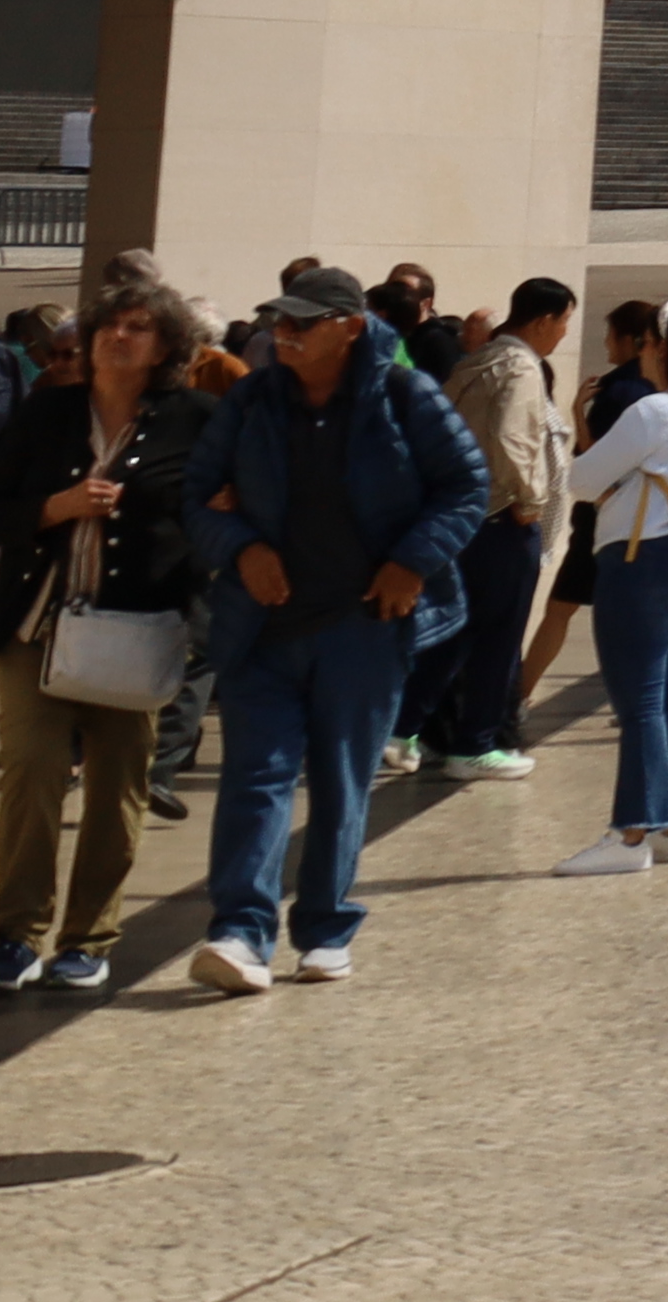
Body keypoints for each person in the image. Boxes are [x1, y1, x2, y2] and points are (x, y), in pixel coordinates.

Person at [182, 260, 491, 990]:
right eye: (276, 323)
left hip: (363, 627)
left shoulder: (403, 394)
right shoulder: (253, 400)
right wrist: (243, 548)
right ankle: (239, 933)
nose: (280, 335)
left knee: (341, 781)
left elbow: (466, 486)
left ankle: (324, 929)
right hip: (264, 629)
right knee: (256, 780)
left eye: (298, 324)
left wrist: (412, 563)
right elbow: (196, 495)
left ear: (349, 328)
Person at [0, 278, 211, 995]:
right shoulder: (47, 410)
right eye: (108, 326)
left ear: (166, 346)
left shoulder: (196, 419)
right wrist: (51, 508)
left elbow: (216, 517)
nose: (118, 337)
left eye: (138, 327)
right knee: (29, 769)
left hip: (137, 631)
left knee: (120, 784)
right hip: (37, 626)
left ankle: (87, 939)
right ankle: (15, 932)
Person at [551, 295, 668, 881]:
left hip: (643, 563)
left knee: (639, 702)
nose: (641, 350)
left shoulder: (652, 412)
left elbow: (581, 481)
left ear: (660, 347)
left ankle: (631, 833)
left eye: (648, 341)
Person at [423, 277, 571, 775]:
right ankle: (475, 744)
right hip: (502, 520)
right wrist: (528, 501)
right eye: (565, 322)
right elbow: (513, 441)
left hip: (465, 516)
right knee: (497, 639)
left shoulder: (476, 360)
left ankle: (421, 733)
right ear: (544, 320)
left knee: (456, 634)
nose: (564, 334)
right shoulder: (522, 367)